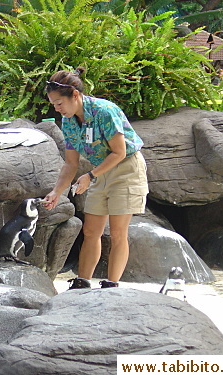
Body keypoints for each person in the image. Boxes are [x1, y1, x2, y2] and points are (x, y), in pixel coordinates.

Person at [43, 67, 148, 290]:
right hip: (99, 171)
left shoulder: (104, 111)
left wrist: (90, 176)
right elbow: (70, 163)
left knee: (118, 231)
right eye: (53, 105)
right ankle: (83, 281)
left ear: (75, 95)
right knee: (91, 231)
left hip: (125, 169)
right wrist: (56, 192)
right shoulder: (70, 121)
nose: (57, 109)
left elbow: (119, 152)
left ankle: (112, 284)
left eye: (59, 104)